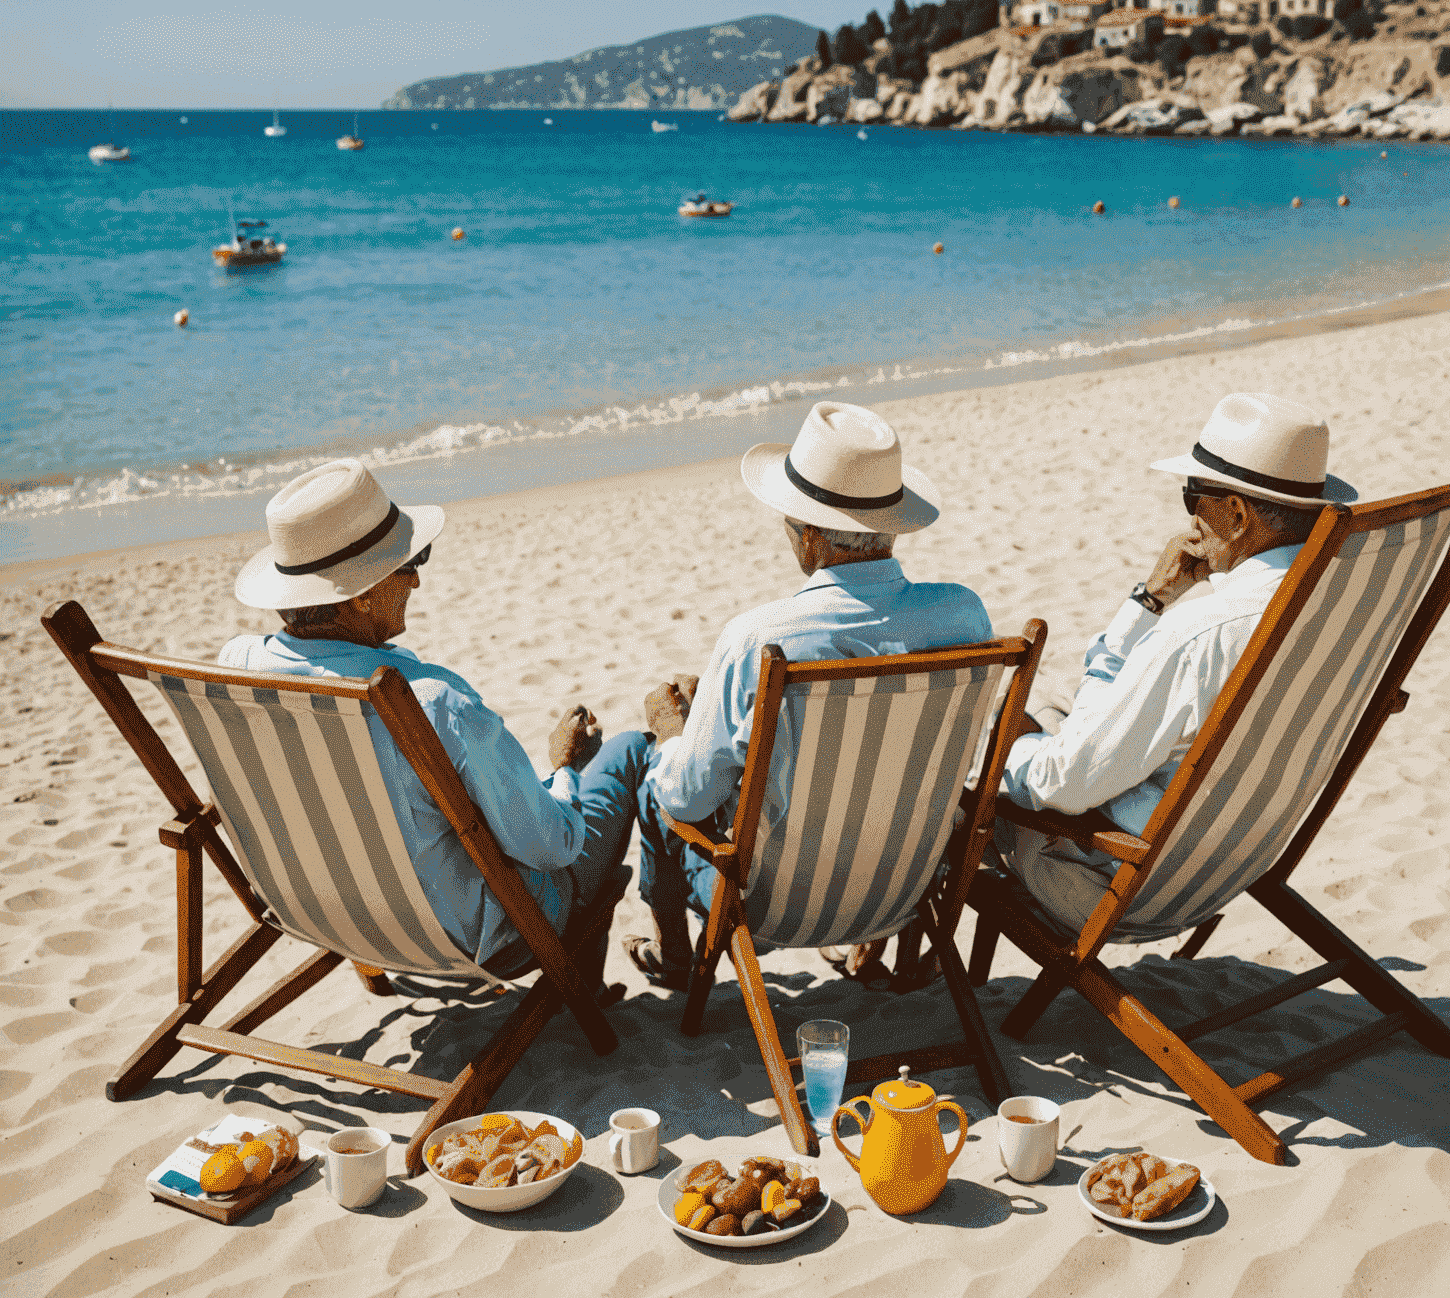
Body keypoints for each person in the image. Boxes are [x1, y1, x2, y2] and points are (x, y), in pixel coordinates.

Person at [614, 400, 993, 989]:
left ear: (811, 534)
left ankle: (680, 960)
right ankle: (869, 951)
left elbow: (687, 799)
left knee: (656, 774)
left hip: (770, 904)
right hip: (904, 886)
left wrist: (674, 734)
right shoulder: (962, 617)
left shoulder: (762, 638)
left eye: (791, 521)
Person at [220, 457, 642, 979]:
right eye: (410, 562)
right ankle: (593, 989)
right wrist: (566, 768)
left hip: (329, 913)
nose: (416, 582)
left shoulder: (238, 670)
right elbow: (551, 846)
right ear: (366, 594)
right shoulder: (429, 701)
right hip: (470, 935)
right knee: (628, 753)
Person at [994, 391, 1357, 939]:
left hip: (1125, 883)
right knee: (1054, 709)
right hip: (1235, 862)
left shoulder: (1202, 634)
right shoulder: (1345, 603)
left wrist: (1002, 748)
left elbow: (1064, 784)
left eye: (1193, 495)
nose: (1187, 515)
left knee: (989, 737)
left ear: (1236, 514)